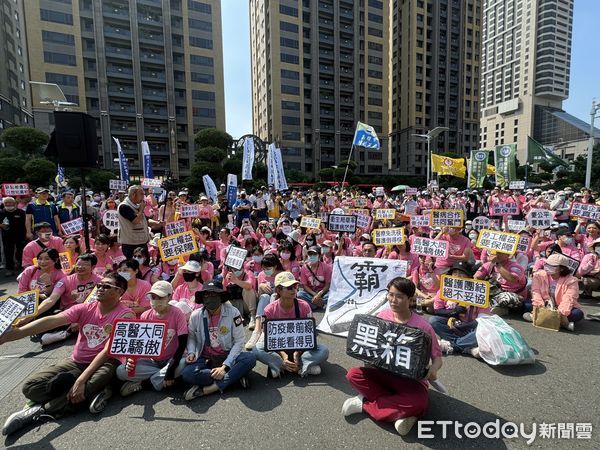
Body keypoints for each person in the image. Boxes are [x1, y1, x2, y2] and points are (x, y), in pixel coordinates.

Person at [1, 273, 133, 436]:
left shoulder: (126, 315)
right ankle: (100, 390)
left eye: (106, 286)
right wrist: (11, 336)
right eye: (99, 285)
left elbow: (107, 351)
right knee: (30, 387)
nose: (100, 288)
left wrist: (81, 381)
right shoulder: (85, 308)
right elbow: (53, 320)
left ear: (119, 292)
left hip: (107, 362)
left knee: (90, 383)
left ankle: (39, 411)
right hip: (77, 361)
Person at [342, 277, 443, 436]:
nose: (393, 300)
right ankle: (399, 411)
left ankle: (365, 405)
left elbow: (437, 358)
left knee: (420, 403)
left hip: (411, 381)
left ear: (410, 299)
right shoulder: (383, 315)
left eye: (399, 296)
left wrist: (433, 369)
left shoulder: (423, 327)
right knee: (353, 375)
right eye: (390, 295)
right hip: (383, 373)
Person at [182, 280, 256, 400]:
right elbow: (191, 337)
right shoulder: (196, 315)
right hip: (205, 358)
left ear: (221, 297)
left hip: (227, 355)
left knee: (250, 358)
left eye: (214, 295)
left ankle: (211, 388)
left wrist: (225, 367)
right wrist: (191, 352)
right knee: (187, 374)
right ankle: (235, 376)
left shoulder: (233, 312)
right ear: (202, 298)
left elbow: (239, 341)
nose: (210, 298)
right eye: (206, 295)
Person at [117, 281, 188, 396]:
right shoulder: (146, 315)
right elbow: (139, 343)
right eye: (153, 297)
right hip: (152, 361)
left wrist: (171, 367)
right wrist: (131, 359)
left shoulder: (177, 313)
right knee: (121, 371)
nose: (155, 300)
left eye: (160, 297)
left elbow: (182, 343)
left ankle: (145, 384)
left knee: (183, 363)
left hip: (173, 359)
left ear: (169, 296)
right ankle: (165, 378)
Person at [252, 272, 329, 378]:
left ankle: (290, 365)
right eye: (289, 288)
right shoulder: (269, 310)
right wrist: (283, 355)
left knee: (323, 350)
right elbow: (269, 339)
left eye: (295, 286)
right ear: (278, 290)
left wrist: (297, 353)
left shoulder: (304, 306)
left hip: (301, 347)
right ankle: (296, 365)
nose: (294, 290)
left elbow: (310, 335)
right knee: (257, 349)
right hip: (278, 347)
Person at [523, 253, 583, 331]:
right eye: (547, 264)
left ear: (561, 268)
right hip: (545, 304)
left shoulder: (572, 280)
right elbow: (535, 292)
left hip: (561, 307)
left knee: (578, 313)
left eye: (551, 265)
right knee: (525, 304)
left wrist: (558, 313)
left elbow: (569, 298)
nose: (547, 266)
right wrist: (541, 307)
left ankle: (538, 317)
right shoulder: (538, 275)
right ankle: (562, 323)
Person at [117, 185, 162, 259]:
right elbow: (136, 220)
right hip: (131, 244)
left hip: (141, 242)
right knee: (133, 266)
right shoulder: (124, 206)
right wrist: (141, 209)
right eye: (141, 194)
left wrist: (158, 223)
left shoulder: (136, 206)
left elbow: (145, 220)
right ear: (133, 194)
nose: (143, 197)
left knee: (144, 265)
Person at [0, 196, 27, 275]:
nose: (8, 204)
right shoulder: (1, 212)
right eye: (6, 203)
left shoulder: (21, 212)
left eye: (10, 202)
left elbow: (25, 223)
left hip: (20, 235)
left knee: (20, 251)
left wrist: (26, 233)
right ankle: (9, 269)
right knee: (8, 252)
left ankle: (20, 266)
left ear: (14, 203)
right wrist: (1, 225)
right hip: (7, 236)